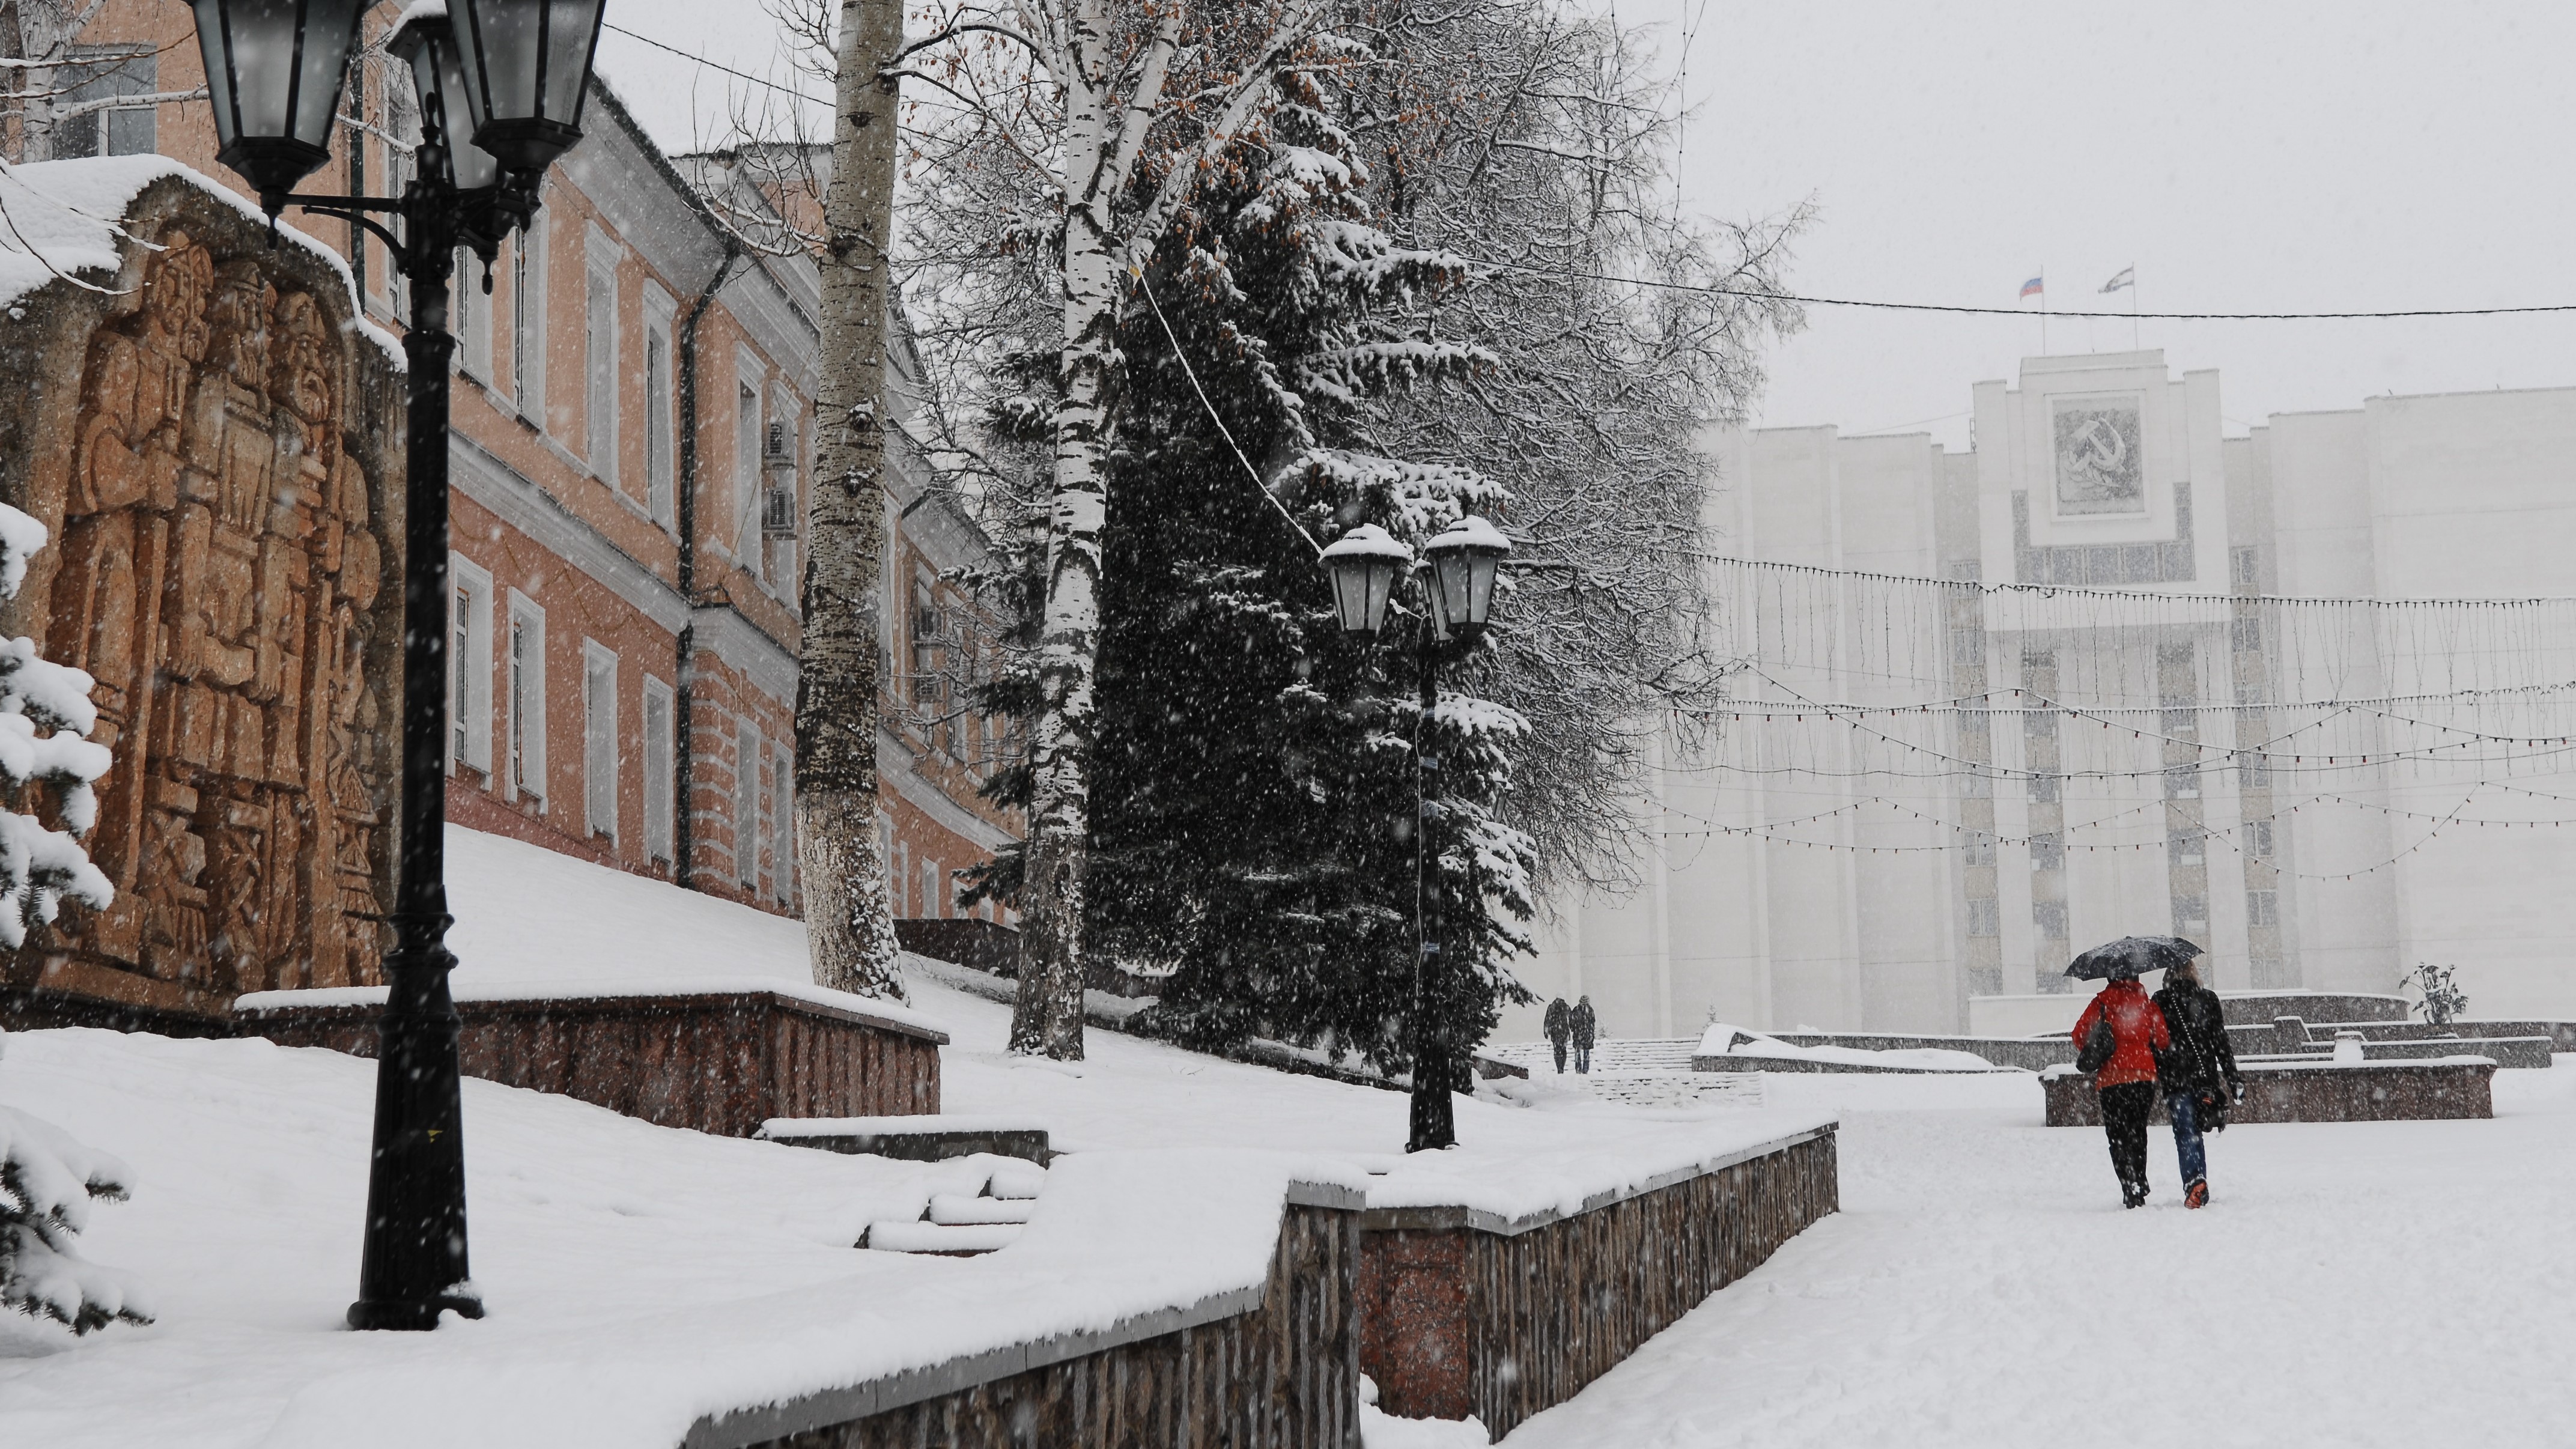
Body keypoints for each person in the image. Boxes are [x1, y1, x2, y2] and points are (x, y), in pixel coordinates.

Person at [2071, 969, 2171, 1209]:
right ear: (2136, 977)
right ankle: (2140, 1177)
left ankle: (2128, 1185)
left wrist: (2101, 1039)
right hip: (2143, 1077)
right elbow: (2163, 1040)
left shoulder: (2101, 1003)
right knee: (2138, 1130)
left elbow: (2078, 1035)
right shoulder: (2146, 1004)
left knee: (2117, 1136)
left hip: (2111, 1079)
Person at [2154, 957, 2243, 1210]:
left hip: (2176, 1081)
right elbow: (2221, 1043)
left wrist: (2160, 1071)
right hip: (2205, 1081)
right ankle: (2198, 1181)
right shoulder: (2208, 999)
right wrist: (2233, 1077)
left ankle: (2195, 1181)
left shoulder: (2160, 1001)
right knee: (2196, 1131)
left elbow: (2156, 1043)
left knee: (2185, 1132)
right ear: (2193, 971)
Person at [1543, 997, 1572, 1074]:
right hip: (1564, 1032)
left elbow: (1547, 1020)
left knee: (1557, 1051)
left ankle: (1559, 1067)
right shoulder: (1565, 1007)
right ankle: (1561, 1067)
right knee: (1563, 1051)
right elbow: (1572, 1018)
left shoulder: (1552, 1007)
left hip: (1555, 1032)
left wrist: (1546, 1031)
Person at [1570, 995, 1597, 1074]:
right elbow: (1592, 1022)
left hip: (1582, 1034)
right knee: (1584, 1053)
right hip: (1585, 1034)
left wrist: (1575, 1029)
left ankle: (1581, 1069)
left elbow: (1572, 1022)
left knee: (1581, 1053)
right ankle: (1584, 1069)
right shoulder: (1590, 1010)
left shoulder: (1577, 1010)